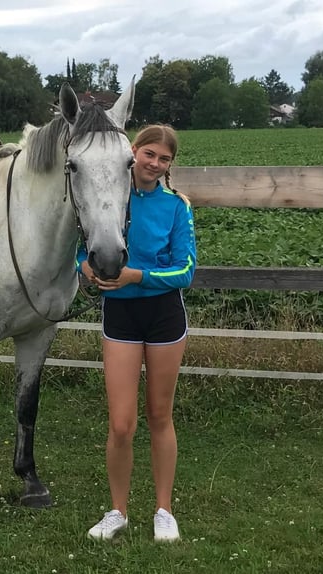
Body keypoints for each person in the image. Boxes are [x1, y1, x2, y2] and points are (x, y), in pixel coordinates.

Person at [78, 124, 196, 542]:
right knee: (122, 423)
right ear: (134, 151)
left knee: (160, 416)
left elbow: (186, 270)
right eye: (149, 154)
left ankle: (164, 510)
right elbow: (83, 245)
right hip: (121, 320)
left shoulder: (177, 206)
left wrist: (136, 276)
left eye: (164, 159)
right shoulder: (112, 197)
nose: (155, 164)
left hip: (165, 319)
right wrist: (85, 267)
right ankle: (117, 511)